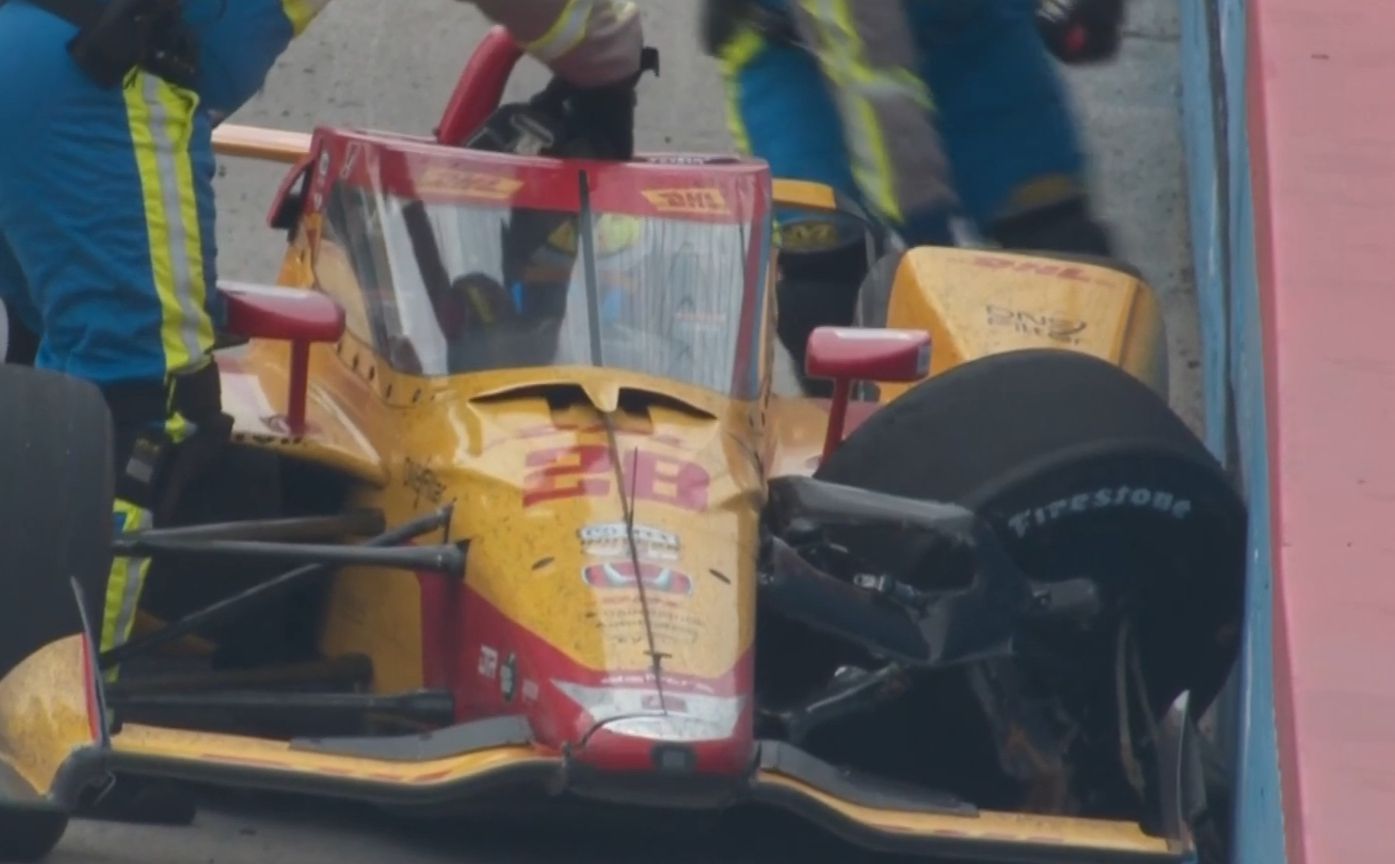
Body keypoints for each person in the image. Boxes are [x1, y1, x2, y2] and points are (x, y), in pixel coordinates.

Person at [0, 0, 644, 780]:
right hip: (86, 72)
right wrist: (608, 66)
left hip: (50, 55)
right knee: (143, 401)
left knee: (40, 387)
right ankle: (53, 724)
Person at [703, 0, 1126, 394]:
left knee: (1071, 272)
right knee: (823, 304)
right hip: (802, 54)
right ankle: (858, 456)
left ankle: (1085, 449)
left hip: (970, 36)